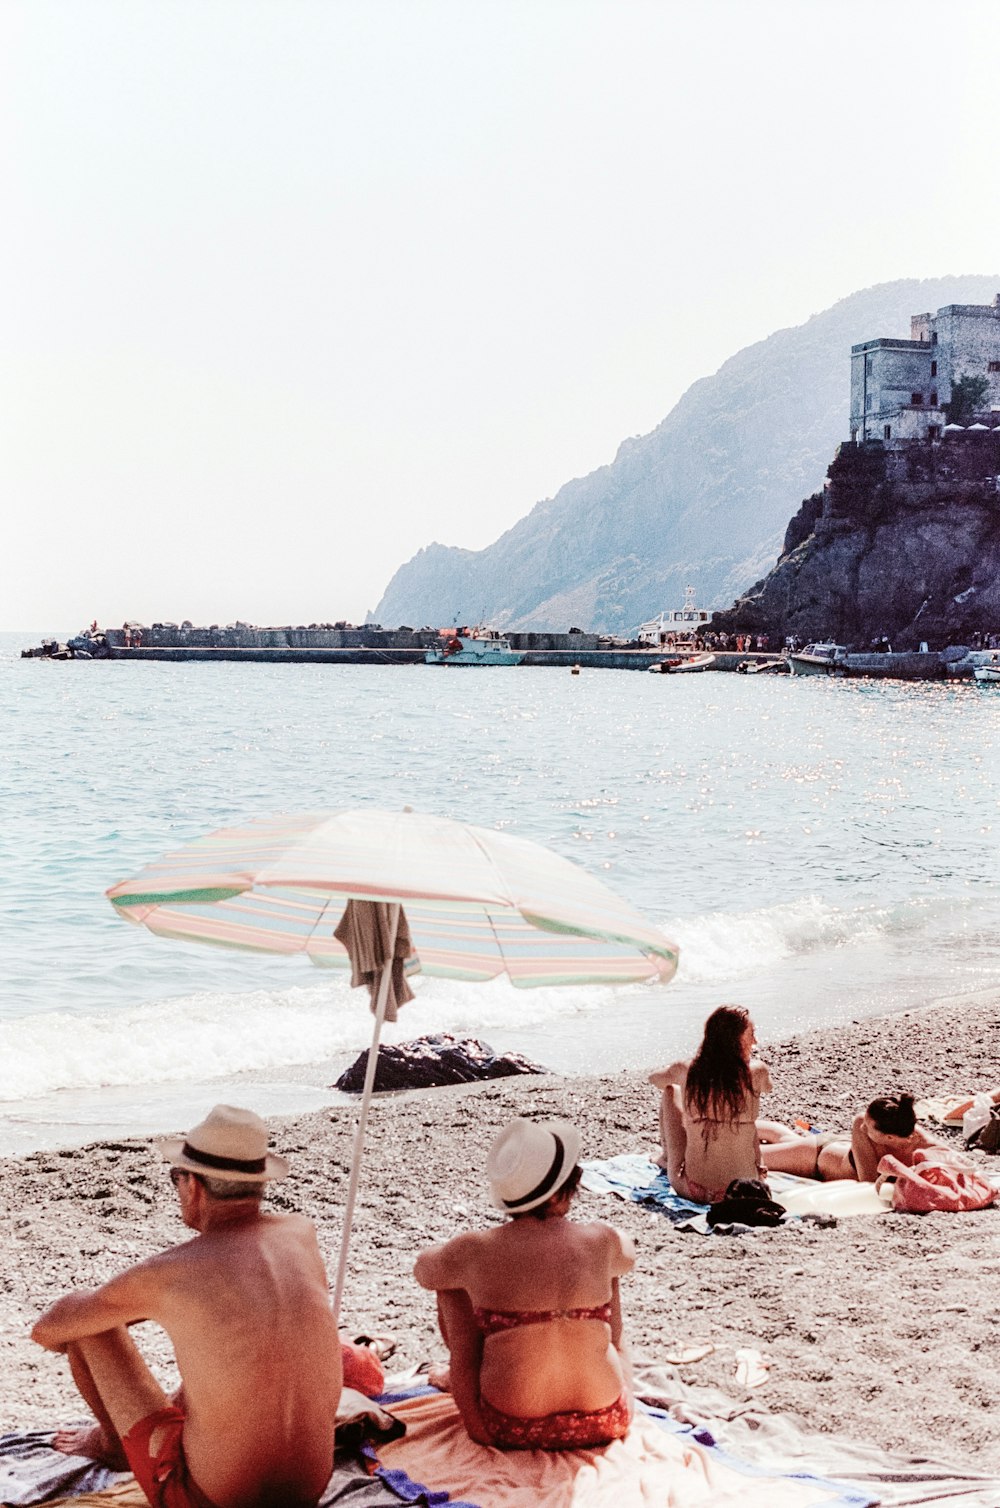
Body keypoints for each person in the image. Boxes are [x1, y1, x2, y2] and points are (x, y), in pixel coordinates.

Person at [32, 1105, 342, 1508]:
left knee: (87, 1323)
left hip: (204, 1500)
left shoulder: (172, 1272)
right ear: (258, 1183)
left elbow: (48, 1329)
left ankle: (111, 1446)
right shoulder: (300, 1233)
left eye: (176, 1178)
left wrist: (126, 1311)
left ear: (192, 1184)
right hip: (306, 1492)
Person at [413, 1118, 634, 1450]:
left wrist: (457, 1257)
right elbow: (628, 1257)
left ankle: (459, 1386)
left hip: (506, 1427)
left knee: (450, 1284)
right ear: (565, 1189)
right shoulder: (602, 1239)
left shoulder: (476, 1248)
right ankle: (606, 1373)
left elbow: (423, 1271)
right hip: (607, 1418)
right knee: (609, 1273)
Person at [649, 1005, 774, 1203]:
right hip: (745, 1192)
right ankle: (755, 1169)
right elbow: (768, 1087)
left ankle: (667, 1159)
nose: (755, 1042)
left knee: (671, 1091)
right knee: (746, 1120)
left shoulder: (687, 1069)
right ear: (734, 1039)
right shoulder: (757, 1071)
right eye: (751, 1035)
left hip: (695, 1191)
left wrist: (675, 1073)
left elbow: (654, 1079)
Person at [760, 1093, 945, 1182]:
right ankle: (737, 1123)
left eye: (868, 1126)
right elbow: (868, 1181)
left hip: (830, 1148)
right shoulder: (860, 1124)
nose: (863, 1126)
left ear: (889, 1137)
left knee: (782, 1137)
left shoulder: (921, 1140)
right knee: (753, 1156)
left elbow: (956, 1160)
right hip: (815, 1158)